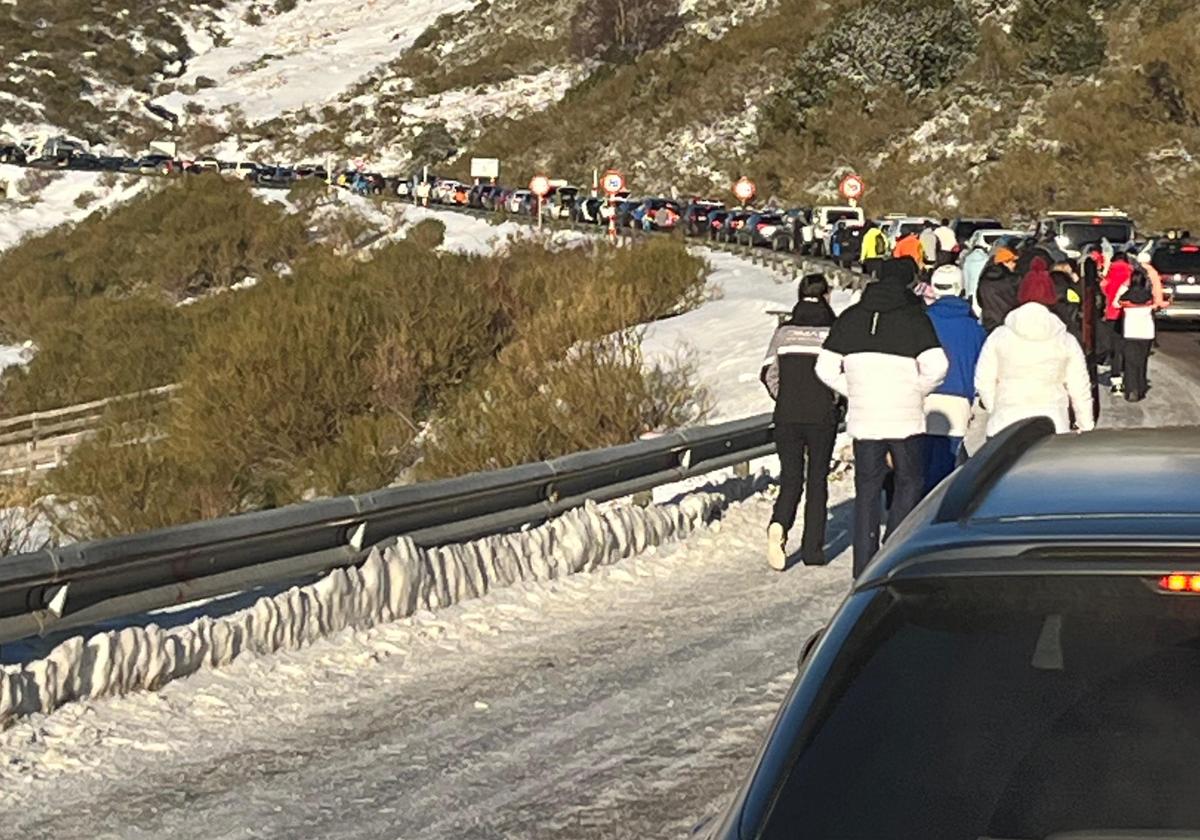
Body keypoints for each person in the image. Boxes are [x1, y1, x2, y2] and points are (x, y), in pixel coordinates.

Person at [816, 259, 949, 576]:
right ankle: (893, 553)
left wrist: (854, 389)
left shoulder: (851, 318)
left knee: (867, 490)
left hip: (865, 418)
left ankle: (863, 566)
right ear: (909, 284)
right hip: (905, 418)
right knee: (910, 482)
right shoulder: (915, 318)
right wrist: (916, 389)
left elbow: (823, 368)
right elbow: (938, 366)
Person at [760, 274, 841, 570]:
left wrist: (785, 398)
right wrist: (835, 400)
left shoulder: (784, 332)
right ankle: (812, 549)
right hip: (821, 415)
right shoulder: (833, 331)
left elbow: (768, 373)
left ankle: (779, 523)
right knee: (817, 479)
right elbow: (840, 373)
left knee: (791, 476)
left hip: (787, 415)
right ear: (826, 295)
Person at [974, 267, 1095, 437]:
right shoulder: (1065, 339)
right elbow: (1079, 386)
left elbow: (983, 380)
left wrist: (996, 407)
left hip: (1004, 422)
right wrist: (1086, 425)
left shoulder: (1000, 335)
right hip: (1052, 422)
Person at [922, 265, 986, 492]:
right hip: (958, 397)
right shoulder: (974, 327)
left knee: (922, 462)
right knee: (946, 466)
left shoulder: (921, 321)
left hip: (923, 394)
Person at [1119, 270, 1155, 402]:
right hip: (1146, 332)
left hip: (1131, 332)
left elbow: (1117, 304)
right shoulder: (1148, 295)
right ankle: (1140, 388)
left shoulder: (1126, 295)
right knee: (1142, 361)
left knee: (1130, 363)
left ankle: (1131, 389)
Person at [1102, 253, 1133, 394]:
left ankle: (1116, 383)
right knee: (1129, 348)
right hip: (1129, 314)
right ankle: (1130, 380)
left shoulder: (1109, 272)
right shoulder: (1131, 271)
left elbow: (1104, 289)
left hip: (1112, 314)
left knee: (1116, 350)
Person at [976, 245, 1020, 332]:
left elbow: (979, 300)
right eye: (1013, 261)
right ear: (1004, 262)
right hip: (1008, 324)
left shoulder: (984, 278)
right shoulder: (1012, 280)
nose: (1015, 264)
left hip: (989, 323)